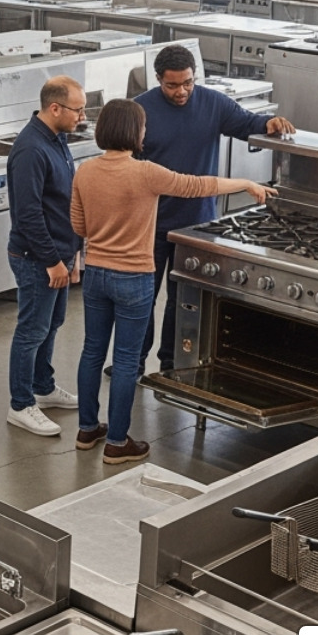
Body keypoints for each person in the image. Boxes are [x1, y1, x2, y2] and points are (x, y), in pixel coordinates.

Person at [71, 99, 276, 464]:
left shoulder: (85, 171)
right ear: (135, 132)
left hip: (96, 275)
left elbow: (80, 228)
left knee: (92, 351)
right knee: (125, 358)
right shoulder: (146, 173)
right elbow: (198, 186)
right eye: (143, 127)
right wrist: (246, 183)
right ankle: (118, 442)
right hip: (133, 277)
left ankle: (87, 429)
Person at [132, 45, 294, 379]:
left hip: (196, 223)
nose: (182, 92)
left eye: (188, 83)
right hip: (149, 223)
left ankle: (171, 362)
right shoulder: (140, 111)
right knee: (141, 300)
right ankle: (132, 362)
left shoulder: (212, 102)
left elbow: (246, 123)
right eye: (172, 86)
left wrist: (270, 123)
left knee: (183, 299)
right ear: (158, 79)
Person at [4, 76, 85, 437]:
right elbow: (28, 214)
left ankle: (44, 386)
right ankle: (20, 405)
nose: (82, 116)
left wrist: (74, 253)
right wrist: (53, 260)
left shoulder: (58, 139)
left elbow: (64, 199)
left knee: (52, 325)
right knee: (31, 330)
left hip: (61, 253)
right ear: (55, 108)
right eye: (78, 109)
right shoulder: (31, 150)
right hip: (36, 256)